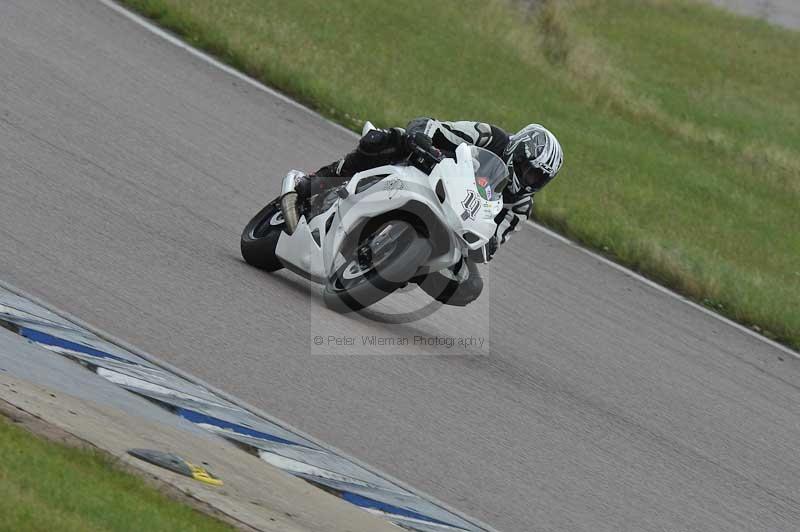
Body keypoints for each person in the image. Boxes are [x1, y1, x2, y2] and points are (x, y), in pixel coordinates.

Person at [281, 118, 563, 306]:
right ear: (518, 151)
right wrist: (425, 142)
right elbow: (432, 126)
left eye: (538, 179)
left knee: (470, 286)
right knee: (386, 139)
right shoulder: (488, 137)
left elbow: (494, 242)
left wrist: (483, 243)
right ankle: (311, 183)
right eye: (528, 170)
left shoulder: (521, 206)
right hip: (429, 171)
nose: (529, 180)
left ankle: (402, 266)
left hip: (455, 220)